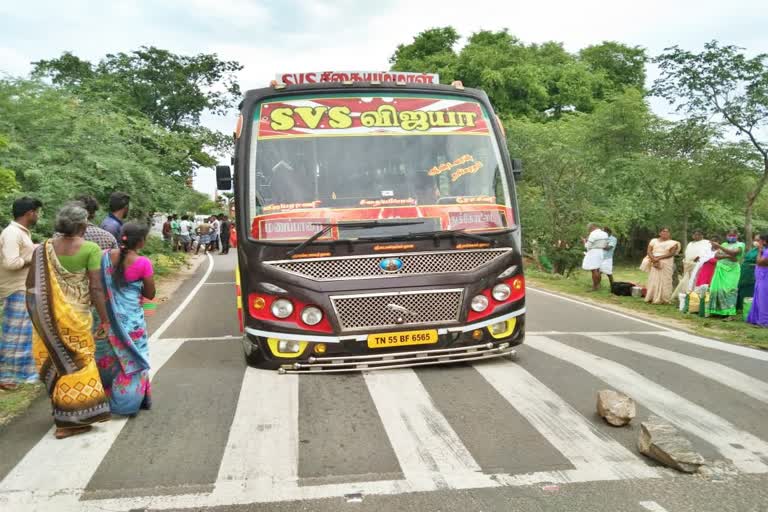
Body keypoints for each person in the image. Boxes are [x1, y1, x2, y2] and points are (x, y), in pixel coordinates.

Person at [26, 203, 111, 438]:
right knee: (78, 362)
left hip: (48, 317)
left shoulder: (43, 249)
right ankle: (71, 420)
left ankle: (65, 415)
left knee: (59, 362)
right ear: (83, 224)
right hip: (77, 317)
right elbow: (95, 287)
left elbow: (33, 288)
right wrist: (104, 320)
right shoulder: (90, 248)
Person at [96, 223, 155, 416]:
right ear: (141, 241)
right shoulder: (142, 262)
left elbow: (96, 285)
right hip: (131, 322)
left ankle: (103, 398)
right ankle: (126, 404)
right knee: (132, 359)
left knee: (110, 357)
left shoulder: (104, 257)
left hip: (107, 317)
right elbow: (150, 294)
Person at [0, 197, 42, 391]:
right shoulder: (12, 233)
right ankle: (5, 375)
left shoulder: (20, 232)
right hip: (15, 288)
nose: (38, 215)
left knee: (23, 334)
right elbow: (11, 262)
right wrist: (31, 256)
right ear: (29, 213)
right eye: (37, 211)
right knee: (13, 334)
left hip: (22, 287)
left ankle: (22, 373)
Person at [707, 228, 745, 319]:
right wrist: (728, 256)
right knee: (716, 289)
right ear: (726, 236)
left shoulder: (740, 244)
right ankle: (716, 311)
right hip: (720, 269)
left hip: (732, 271)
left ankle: (729, 313)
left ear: (737, 236)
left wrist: (720, 247)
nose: (731, 237)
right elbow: (716, 256)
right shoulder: (724, 244)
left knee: (729, 290)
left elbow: (734, 253)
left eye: (733, 236)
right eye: (729, 235)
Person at [643, 227, 681, 304]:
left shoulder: (673, 243)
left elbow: (671, 253)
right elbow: (649, 251)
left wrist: (659, 258)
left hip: (666, 262)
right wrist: (653, 259)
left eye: (667, 232)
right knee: (653, 279)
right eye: (663, 231)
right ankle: (652, 297)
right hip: (654, 261)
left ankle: (664, 299)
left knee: (665, 280)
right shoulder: (653, 241)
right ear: (660, 233)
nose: (665, 233)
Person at [673, 229, 711, 298]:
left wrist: (699, 257)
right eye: (695, 235)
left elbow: (708, 252)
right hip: (687, 264)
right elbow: (686, 253)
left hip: (699, 265)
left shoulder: (707, 243)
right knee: (686, 280)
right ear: (693, 236)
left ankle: (695, 296)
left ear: (702, 235)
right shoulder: (690, 243)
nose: (697, 236)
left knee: (695, 280)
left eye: (699, 234)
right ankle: (686, 295)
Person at [747, 233, 768, 326]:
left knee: (764, 299)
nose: (758, 242)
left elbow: (760, 262)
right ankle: (756, 318)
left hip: (765, 278)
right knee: (758, 298)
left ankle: (764, 321)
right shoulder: (766, 250)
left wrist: (759, 251)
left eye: (759, 240)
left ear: (764, 241)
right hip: (761, 278)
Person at [581, 223, 609, 291]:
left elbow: (588, 246)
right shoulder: (605, 234)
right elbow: (605, 244)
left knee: (594, 270)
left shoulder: (593, 234)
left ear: (592, 227)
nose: (589, 231)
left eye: (589, 229)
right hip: (601, 252)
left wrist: (584, 242)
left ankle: (594, 287)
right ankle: (598, 285)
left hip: (594, 252)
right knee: (598, 269)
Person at [737, 234, 760, 310]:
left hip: (752, 272)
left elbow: (761, 262)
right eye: (755, 240)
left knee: (750, 288)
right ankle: (739, 306)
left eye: (758, 240)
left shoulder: (763, 251)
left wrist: (751, 265)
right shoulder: (753, 249)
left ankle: (748, 307)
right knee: (742, 287)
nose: (756, 242)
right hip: (744, 271)